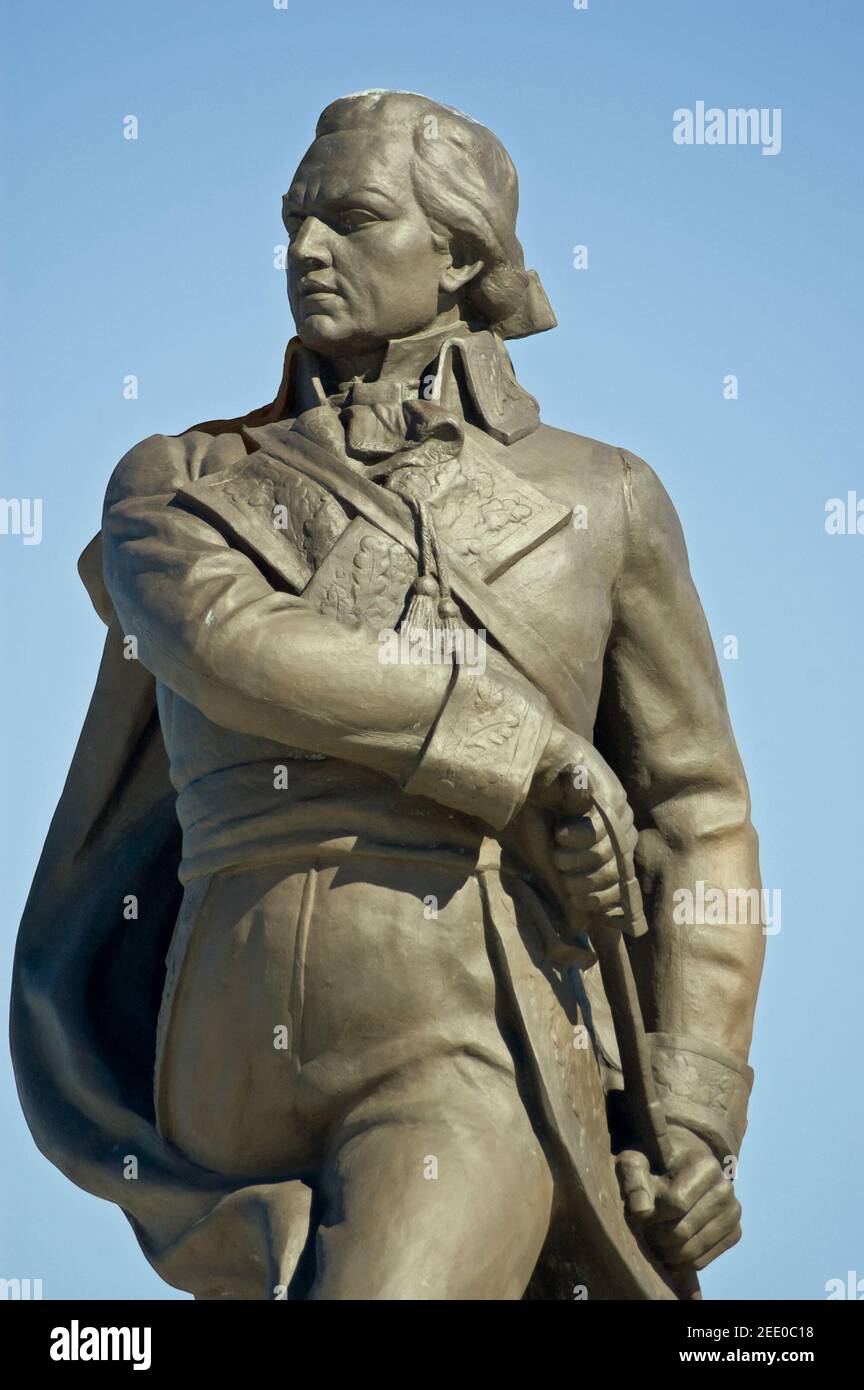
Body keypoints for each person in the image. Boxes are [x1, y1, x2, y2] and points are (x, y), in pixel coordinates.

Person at [12, 90, 764, 1300]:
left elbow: (700, 815)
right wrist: (509, 743)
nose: (306, 249)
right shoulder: (180, 479)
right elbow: (221, 642)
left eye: (351, 219)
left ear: (462, 253)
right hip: (213, 1069)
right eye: (294, 222)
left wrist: (691, 1114)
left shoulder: (606, 497)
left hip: (466, 1037)